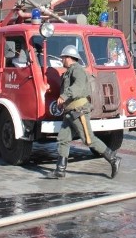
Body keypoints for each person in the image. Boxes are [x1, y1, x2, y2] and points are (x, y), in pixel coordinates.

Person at [47, 45, 121, 179]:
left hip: (78, 111)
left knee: (89, 139)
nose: (61, 60)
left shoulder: (78, 70)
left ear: (69, 58)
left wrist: (64, 96)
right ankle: (60, 170)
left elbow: (78, 86)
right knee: (63, 139)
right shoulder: (70, 71)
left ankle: (113, 159)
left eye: (63, 57)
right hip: (70, 112)